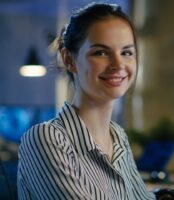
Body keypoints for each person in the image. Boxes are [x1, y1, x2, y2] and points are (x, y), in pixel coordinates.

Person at [17, 3, 156, 200]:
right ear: (69, 60)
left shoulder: (118, 137)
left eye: (126, 52)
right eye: (100, 52)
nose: (118, 65)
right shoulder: (45, 138)